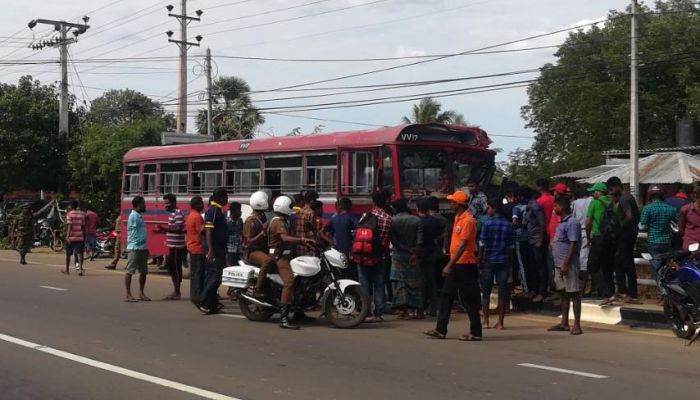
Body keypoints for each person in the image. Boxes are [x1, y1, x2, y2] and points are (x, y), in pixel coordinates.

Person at [424, 191, 482, 341]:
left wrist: (449, 264)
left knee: (468, 298)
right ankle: (440, 329)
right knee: (446, 295)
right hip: (457, 263)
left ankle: (476, 332)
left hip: (464, 264)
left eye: (452, 202)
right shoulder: (458, 217)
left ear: (458, 204)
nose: (450, 204)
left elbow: (463, 245)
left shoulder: (468, 220)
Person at [268, 195, 315, 329]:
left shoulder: (287, 219)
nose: (293, 208)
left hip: (288, 255)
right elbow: (285, 238)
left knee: (301, 280)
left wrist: (309, 243)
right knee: (289, 282)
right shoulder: (279, 221)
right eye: (290, 206)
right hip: (279, 257)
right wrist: (302, 240)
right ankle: (283, 319)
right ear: (284, 206)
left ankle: (299, 312)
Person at [548, 196, 583, 335]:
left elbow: (573, 244)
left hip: (568, 265)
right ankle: (564, 322)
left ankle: (577, 325)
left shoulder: (572, 222)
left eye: (556, 206)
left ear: (562, 206)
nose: (554, 208)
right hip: (558, 264)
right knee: (563, 294)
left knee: (573, 293)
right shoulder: (561, 222)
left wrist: (565, 264)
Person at [479, 199, 514, 330]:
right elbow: (511, 246)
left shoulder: (486, 224)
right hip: (503, 260)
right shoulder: (508, 225)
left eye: (489, 208)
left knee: (486, 291)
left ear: (494, 208)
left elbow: (482, 243)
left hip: (489, 260)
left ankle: (486, 320)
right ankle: (500, 322)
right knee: (503, 291)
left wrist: (480, 259)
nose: (487, 211)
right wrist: (510, 263)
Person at [639, 185, 678, 303]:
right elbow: (677, 225)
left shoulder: (648, 208)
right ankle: (670, 292)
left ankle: (664, 294)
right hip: (666, 242)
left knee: (656, 269)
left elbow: (641, 226)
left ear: (650, 195)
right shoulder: (670, 208)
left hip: (653, 241)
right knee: (667, 269)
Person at [606, 177, 641, 304]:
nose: (609, 193)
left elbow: (629, 216)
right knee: (619, 262)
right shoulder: (623, 198)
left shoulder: (625, 199)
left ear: (616, 187)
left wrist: (619, 226)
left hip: (626, 235)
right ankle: (623, 291)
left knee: (627, 263)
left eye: (610, 189)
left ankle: (631, 293)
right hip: (627, 235)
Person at [585, 182, 620, 306]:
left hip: (598, 237)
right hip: (610, 239)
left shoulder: (594, 203)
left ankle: (606, 293)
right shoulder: (612, 203)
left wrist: (588, 237)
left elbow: (588, 222)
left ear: (599, 192)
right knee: (607, 267)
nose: (593, 194)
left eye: (594, 191)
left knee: (592, 265)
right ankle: (611, 293)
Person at [360, 191, 392, 323]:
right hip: (379, 255)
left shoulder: (366, 215)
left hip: (364, 255)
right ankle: (377, 313)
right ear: (386, 202)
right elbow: (387, 238)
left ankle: (364, 311)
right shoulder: (388, 218)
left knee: (364, 284)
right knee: (379, 284)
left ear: (373, 202)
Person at [389, 198, 424, 320]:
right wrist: (414, 253)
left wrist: (404, 248)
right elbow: (420, 240)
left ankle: (405, 312)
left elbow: (393, 241)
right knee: (416, 283)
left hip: (399, 255)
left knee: (400, 283)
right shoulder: (416, 220)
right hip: (414, 255)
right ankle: (419, 311)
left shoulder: (392, 221)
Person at [198, 189, 229, 314]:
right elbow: (208, 230)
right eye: (226, 197)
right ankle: (204, 301)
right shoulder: (213, 210)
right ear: (220, 197)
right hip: (215, 250)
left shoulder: (218, 210)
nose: (227, 199)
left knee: (214, 275)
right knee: (216, 276)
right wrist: (210, 250)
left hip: (219, 248)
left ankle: (212, 304)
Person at [245, 191, 276, 299]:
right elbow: (248, 241)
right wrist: (262, 232)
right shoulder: (251, 220)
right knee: (267, 261)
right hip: (253, 251)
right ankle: (257, 288)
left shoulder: (262, 217)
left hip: (263, 249)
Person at [155, 194, 186, 301]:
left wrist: (165, 229)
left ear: (173, 203)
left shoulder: (177, 213)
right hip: (172, 246)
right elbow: (173, 228)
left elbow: (179, 229)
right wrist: (162, 231)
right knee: (171, 268)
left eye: (167, 203)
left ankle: (177, 292)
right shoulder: (172, 214)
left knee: (176, 269)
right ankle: (176, 291)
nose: (165, 206)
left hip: (177, 246)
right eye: (165, 203)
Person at [417, 197, 444, 316]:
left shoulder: (417, 221)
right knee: (431, 280)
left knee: (421, 281)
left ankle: (420, 308)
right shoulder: (435, 221)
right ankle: (434, 307)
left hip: (420, 253)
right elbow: (441, 234)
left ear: (418, 209)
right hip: (432, 252)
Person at [323, 197, 358, 280]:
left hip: (337, 250)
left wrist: (332, 242)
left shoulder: (334, 218)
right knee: (351, 274)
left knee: (340, 273)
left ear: (339, 207)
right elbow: (358, 230)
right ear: (350, 207)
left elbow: (323, 231)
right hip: (349, 251)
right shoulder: (352, 218)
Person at [523, 186, 547, 302]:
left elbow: (542, 223)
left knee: (540, 266)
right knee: (533, 265)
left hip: (537, 238)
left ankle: (542, 291)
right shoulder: (530, 205)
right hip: (531, 238)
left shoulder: (534, 206)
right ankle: (535, 290)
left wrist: (540, 239)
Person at [124, 196, 149, 302]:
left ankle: (141, 293)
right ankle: (128, 294)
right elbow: (133, 233)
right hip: (134, 247)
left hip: (142, 248)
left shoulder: (139, 216)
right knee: (130, 271)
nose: (145, 206)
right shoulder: (134, 216)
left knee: (143, 272)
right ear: (139, 204)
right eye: (143, 203)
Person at [186, 196, 205, 306]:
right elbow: (202, 230)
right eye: (201, 203)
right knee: (198, 274)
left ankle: (194, 295)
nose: (203, 205)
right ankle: (197, 296)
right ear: (197, 205)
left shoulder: (190, 215)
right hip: (198, 248)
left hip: (192, 248)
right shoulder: (197, 216)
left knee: (194, 274)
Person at [572, 190, 593, 293]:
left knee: (578, 260)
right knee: (585, 261)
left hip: (577, 232)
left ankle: (578, 289)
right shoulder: (592, 201)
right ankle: (582, 290)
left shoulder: (575, 203)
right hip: (588, 232)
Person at [64, 199, 86, 276]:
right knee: (79, 253)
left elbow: (69, 226)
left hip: (72, 236)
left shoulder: (69, 214)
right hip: (80, 236)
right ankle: (80, 269)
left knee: (68, 254)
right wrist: (83, 235)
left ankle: (67, 270)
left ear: (71, 206)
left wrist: (67, 236)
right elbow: (83, 226)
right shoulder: (82, 214)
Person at [295, 190, 319, 257]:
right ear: (312, 200)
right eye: (315, 200)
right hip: (308, 244)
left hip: (299, 243)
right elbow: (311, 230)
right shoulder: (311, 213)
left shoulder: (300, 211)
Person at [227, 202, 243, 267]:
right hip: (230, 250)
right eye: (239, 210)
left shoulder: (240, 221)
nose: (240, 212)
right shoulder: (227, 222)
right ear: (234, 211)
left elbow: (242, 233)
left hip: (239, 250)